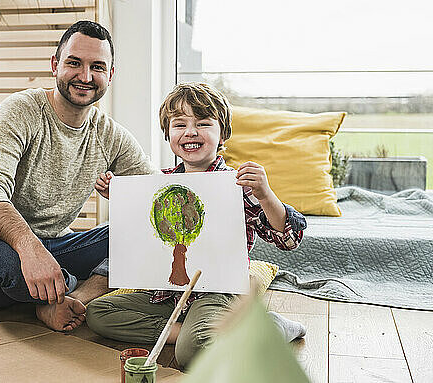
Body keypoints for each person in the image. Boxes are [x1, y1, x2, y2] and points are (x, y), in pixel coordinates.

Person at [0, 21, 157, 332]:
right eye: (74, 63)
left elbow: (159, 192)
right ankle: (73, 290)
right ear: (55, 65)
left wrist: (130, 198)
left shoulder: (110, 135)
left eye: (97, 67)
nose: (85, 76)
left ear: (110, 75)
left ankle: (71, 297)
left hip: (59, 249)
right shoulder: (20, 110)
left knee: (138, 233)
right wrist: (28, 246)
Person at [88, 82, 307, 369]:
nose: (190, 132)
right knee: (98, 313)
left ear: (222, 133)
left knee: (190, 353)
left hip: (218, 291)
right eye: (179, 124)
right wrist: (118, 198)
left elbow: (288, 240)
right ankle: (191, 333)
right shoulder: (157, 182)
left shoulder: (238, 184)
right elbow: (140, 237)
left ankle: (266, 328)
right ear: (168, 134)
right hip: (167, 292)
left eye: (203, 123)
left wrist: (266, 195)